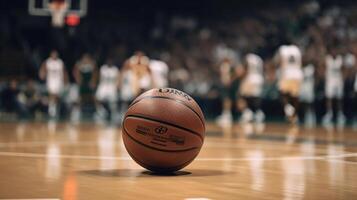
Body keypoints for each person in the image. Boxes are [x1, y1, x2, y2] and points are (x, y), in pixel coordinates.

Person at [275, 44, 303, 124]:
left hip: (287, 73)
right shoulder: (297, 49)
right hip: (298, 74)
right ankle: (294, 116)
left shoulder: (283, 48)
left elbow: (278, 61)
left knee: (282, 93)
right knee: (295, 97)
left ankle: (288, 108)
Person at [39, 50, 68, 118]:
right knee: (52, 94)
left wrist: (66, 80)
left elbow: (64, 71)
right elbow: (43, 69)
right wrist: (42, 74)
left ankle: (54, 107)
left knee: (57, 95)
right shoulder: (48, 61)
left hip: (58, 81)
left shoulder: (60, 62)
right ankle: (52, 109)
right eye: (53, 54)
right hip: (50, 80)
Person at [322, 47, 345, 127]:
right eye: (333, 50)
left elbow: (343, 70)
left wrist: (343, 78)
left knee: (339, 98)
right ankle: (329, 113)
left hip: (338, 80)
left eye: (335, 50)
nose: (334, 51)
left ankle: (340, 114)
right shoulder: (327, 59)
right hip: (330, 80)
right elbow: (323, 69)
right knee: (329, 98)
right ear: (330, 51)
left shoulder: (340, 59)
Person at [239, 53, 265, 124]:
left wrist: (239, 75)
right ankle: (258, 113)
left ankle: (247, 113)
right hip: (259, 79)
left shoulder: (248, 57)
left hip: (250, 78)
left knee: (241, 96)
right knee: (254, 97)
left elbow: (245, 68)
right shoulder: (259, 58)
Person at [73, 53, 98, 119]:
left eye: (87, 58)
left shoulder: (92, 63)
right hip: (83, 82)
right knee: (80, 97)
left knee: (92, 96)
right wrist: (78, 79)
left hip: (89, 82)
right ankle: (76, 111)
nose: (86, 59)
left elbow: (95, 73)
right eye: (84, 57)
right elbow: (75, 72)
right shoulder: (79, 64)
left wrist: (93, 81)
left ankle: (98, 111)